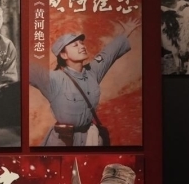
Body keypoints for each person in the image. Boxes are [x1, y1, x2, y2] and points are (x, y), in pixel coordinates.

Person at [30, 18, 140, 146]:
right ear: (64, 55)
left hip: (89, 139)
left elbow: (108, 54)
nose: (82, 46)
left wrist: (126, 32)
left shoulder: (92, 73)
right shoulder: (54, 79)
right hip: (62, 141)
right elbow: (29, 69)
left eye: (81, 43)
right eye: (75, 45)